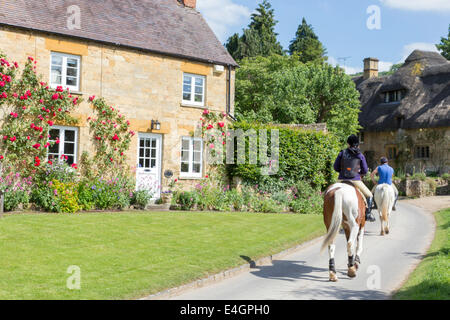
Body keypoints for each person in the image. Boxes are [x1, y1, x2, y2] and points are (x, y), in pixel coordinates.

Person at [334, 134, 376, 222]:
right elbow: (364, 170)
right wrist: (359, 173)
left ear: (348, 144)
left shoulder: (342, 153)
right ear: (358, 144)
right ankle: (368, 214)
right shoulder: (360, 155)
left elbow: (336, 167)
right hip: (355, 180)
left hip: (342, 179)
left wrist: (343, 171)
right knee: (370, 195)